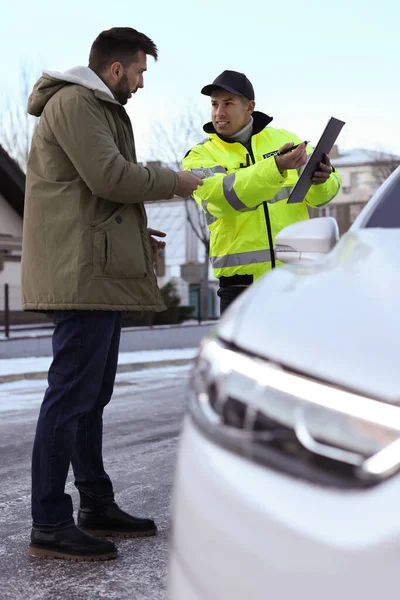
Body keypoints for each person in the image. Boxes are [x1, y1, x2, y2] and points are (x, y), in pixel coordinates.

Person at [21, 27, 202, 562]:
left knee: (89, 399)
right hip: (79, 274)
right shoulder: (78, 102)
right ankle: (49, 521)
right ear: (117, 68)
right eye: (141, 72)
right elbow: (108, 176)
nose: (143, 83)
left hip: (92, 267)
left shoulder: (95, 106)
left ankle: (95, 503)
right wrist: (174, 180)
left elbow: (87, 190)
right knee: (70, 399)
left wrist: (129, 230)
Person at [182, 70, 342, 313]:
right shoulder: (199, 155)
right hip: (241, 285)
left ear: (250, 107)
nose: (219, 112)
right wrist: (275, 167)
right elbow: (220, 199)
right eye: (214, 104)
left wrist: (322, 178)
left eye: (228, 103)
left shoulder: (285, 139)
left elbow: (322, 198)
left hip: (295, 275)